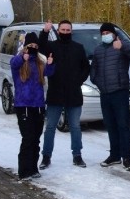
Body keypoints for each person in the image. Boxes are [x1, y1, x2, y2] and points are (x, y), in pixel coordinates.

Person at [38, 20, 91, 168]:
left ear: (71, 31)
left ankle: (77, 156)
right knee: (50, 127)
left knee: (75, 126)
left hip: (74, 94)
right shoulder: (52, 47)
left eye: (68, 30)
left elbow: (86, 68)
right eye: (63, 30)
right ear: (59, 30)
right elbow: (40, 46)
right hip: (55, 94)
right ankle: (46, 157)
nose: (66, 32)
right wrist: (45, 31)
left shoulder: (78, 48)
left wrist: (78, 81)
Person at [90, 23, 130, 171]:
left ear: (113, 34)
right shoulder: (98, 50)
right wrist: (98, 81)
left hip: (120, 92)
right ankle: (114, 155)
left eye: (108, 32)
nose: (105, 35)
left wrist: (123, 46)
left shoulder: (121, 45)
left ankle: (127, 157)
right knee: (110, 126)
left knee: (123, 125)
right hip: (105, 94)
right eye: (103, 32)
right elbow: (94, 70)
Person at [11, 32, 55, 180]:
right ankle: (23, 170)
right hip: (23, 105)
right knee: (27, 138)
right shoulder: (19, 61)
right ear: (25, 46)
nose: (33, 48)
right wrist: (22, 57)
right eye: (30, 46)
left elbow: (50, 72)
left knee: (36, 138)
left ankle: (33, 168)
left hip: (38, 106)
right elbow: (13, 64)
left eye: (36, 46)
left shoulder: (39, 62)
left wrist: (50, 63)